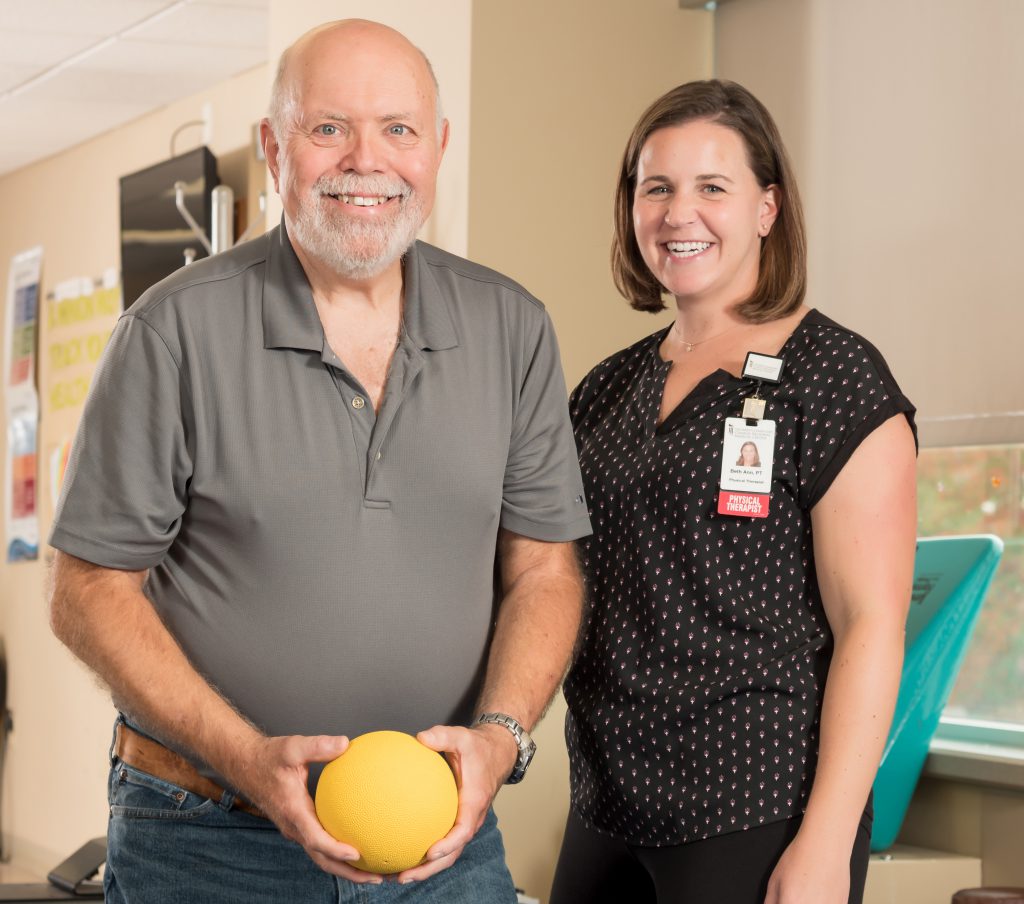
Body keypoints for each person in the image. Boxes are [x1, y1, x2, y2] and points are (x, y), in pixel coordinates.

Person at [47, 19, 590, 903]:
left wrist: (499, 736)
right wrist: (245, 758)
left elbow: (544, 568)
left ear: (438, 146)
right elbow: (87, 591)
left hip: (439, 847)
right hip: (209, 842)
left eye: (399, 129)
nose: (365, 160)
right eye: (328, 127)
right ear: (274, 146)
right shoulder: (172, 333)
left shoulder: (512, 329)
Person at [550, 80, 916, 904]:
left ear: (766, 208)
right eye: (657, 188)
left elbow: (872, 627)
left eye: (713, 187)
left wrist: (826, 839)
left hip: (756, 810)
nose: (681, 213)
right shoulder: (605, 390)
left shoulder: (835, 378)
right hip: (605, 804)